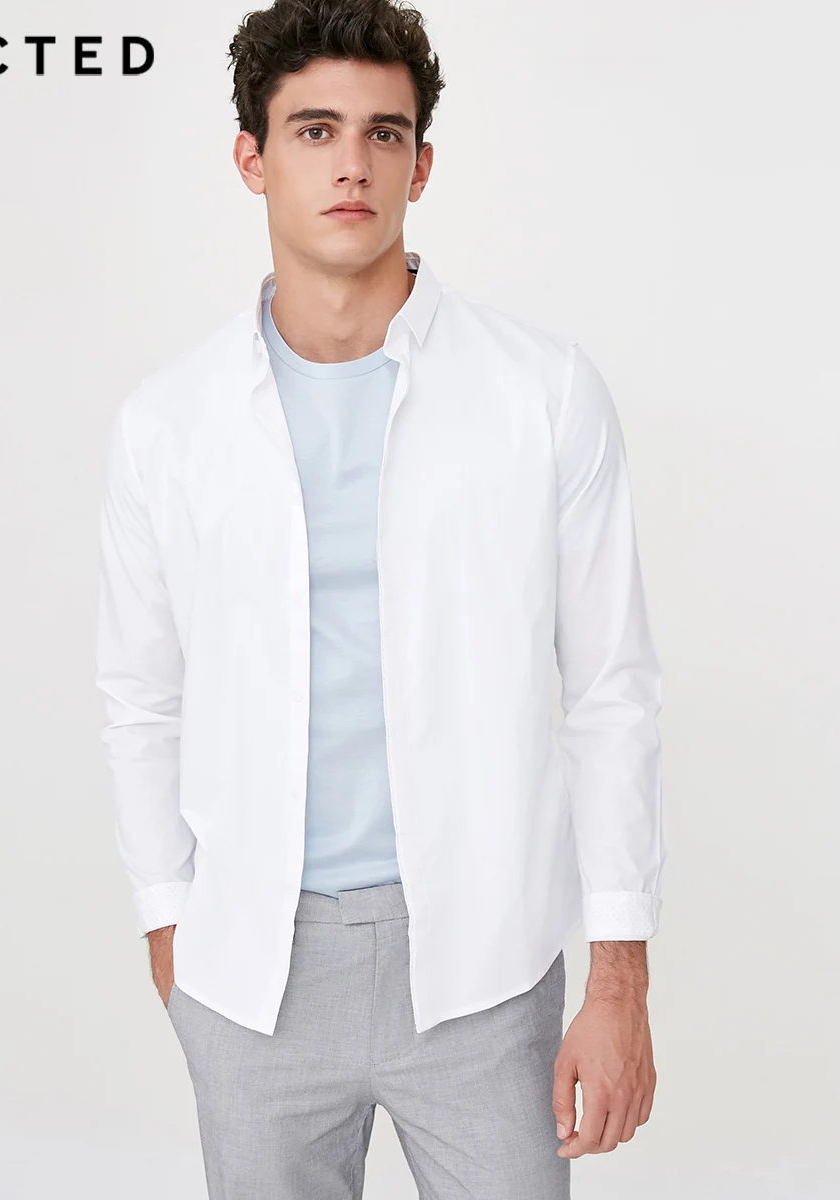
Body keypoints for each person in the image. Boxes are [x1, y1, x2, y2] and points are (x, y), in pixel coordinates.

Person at [94, 1, 666, 1195]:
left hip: (485, 965)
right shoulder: (169, 427)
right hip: (251, 970)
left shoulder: (542, 394)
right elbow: (141, 697)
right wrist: (169, 928)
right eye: (314, 130)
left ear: (422, 163)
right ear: (252, 158)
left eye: (383, 133)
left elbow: (611, 690)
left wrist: (619, 978)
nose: (351, 163)